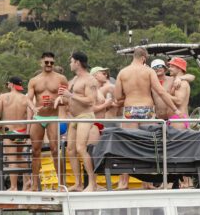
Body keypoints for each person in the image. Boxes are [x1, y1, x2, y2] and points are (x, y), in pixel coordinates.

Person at [114, 47, 177, 189]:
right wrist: (175, 109)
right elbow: (160, 91)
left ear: (133, 56)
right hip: (147, 110)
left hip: (130, 110)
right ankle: (146, 183)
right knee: (147, 146)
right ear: (144, 57)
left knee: (127, 146)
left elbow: (117, 96)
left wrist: (130, 94)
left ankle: (123, 183)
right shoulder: (148, 71)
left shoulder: (123, 72)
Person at [57, 52, 100, 192]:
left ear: (77, 62)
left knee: (81, 148)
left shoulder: (90, 80)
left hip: (85, 116)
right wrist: (61, 99)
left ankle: (92, 183)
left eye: (71, 61)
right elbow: (71, 98)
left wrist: (71, 95)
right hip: (74, 117)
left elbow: (91, 100)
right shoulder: (74, 79)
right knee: (70, 149)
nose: (69, 64)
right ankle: (78, 183)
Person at [27, 52, 69, 190]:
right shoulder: (34, 80)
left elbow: (67, 99)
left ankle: (61, 183)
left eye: (52, 62)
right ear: (41, 62)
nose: (49, 65)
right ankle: (34, 184)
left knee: (55, 149)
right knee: (35, 150)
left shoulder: (61, 79)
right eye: (47, 62)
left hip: (53, 117)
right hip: (38, 117)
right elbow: (27, 98)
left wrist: (57, 101)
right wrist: (33, 108)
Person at [0, 76, 30, 191]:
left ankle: (13, 186)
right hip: (22, 131)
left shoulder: (3, 97)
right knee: (19, 158)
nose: (7, 85)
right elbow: (29, 117)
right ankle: (29, 179)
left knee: (12, 159)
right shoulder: (25, 98)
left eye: (7, 84)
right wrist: (27, 134)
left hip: (10, 131)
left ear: (11, 85)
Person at [166, 57, 191, 130]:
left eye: (172, 67)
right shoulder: (177, 81)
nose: (169, 69)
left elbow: (179, 101)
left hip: (178, 120)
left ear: (179, 68)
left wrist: (165, 95)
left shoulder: (181, 83)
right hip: (175, 119)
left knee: (177, 141)